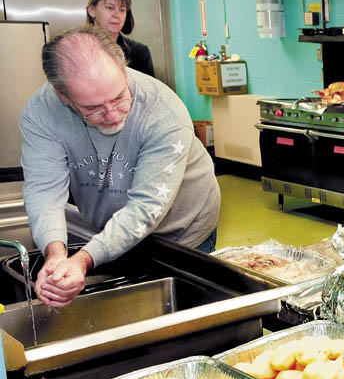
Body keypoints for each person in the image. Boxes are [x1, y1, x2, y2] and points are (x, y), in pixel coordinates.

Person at [19, 25, 220, 308]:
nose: (112, 116)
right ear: (62, 96)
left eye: (118, 98)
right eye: (93, 109)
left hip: (183, 231)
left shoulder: (163, 111)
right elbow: (44, 190)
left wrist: (84, 259)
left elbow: (145, 207)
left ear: (123, 68)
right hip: (109, 229)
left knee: (184, 314)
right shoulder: (41, 113)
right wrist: (55, 254)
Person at [86, 0, 155, 77]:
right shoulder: (76, 48)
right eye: (110, 8)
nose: (117, 15)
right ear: (91, 10)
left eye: (122, 10)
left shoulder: (140, 52)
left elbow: (149, 90)